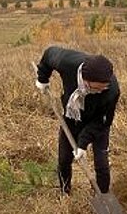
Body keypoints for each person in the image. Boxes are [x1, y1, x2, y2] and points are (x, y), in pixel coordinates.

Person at [34, 46, 120, 195]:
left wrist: (82, 144)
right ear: (86, 81)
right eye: (98, 88)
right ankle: (65, 193)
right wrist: (43, 79)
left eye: (104, 87)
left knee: (102, 165)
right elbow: (49, 55)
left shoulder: (111, 90)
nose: (102, 91)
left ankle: (103, 197)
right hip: (72, 117)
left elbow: (104, 121)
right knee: (64, 160)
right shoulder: (68, 63)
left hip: (97, 123)